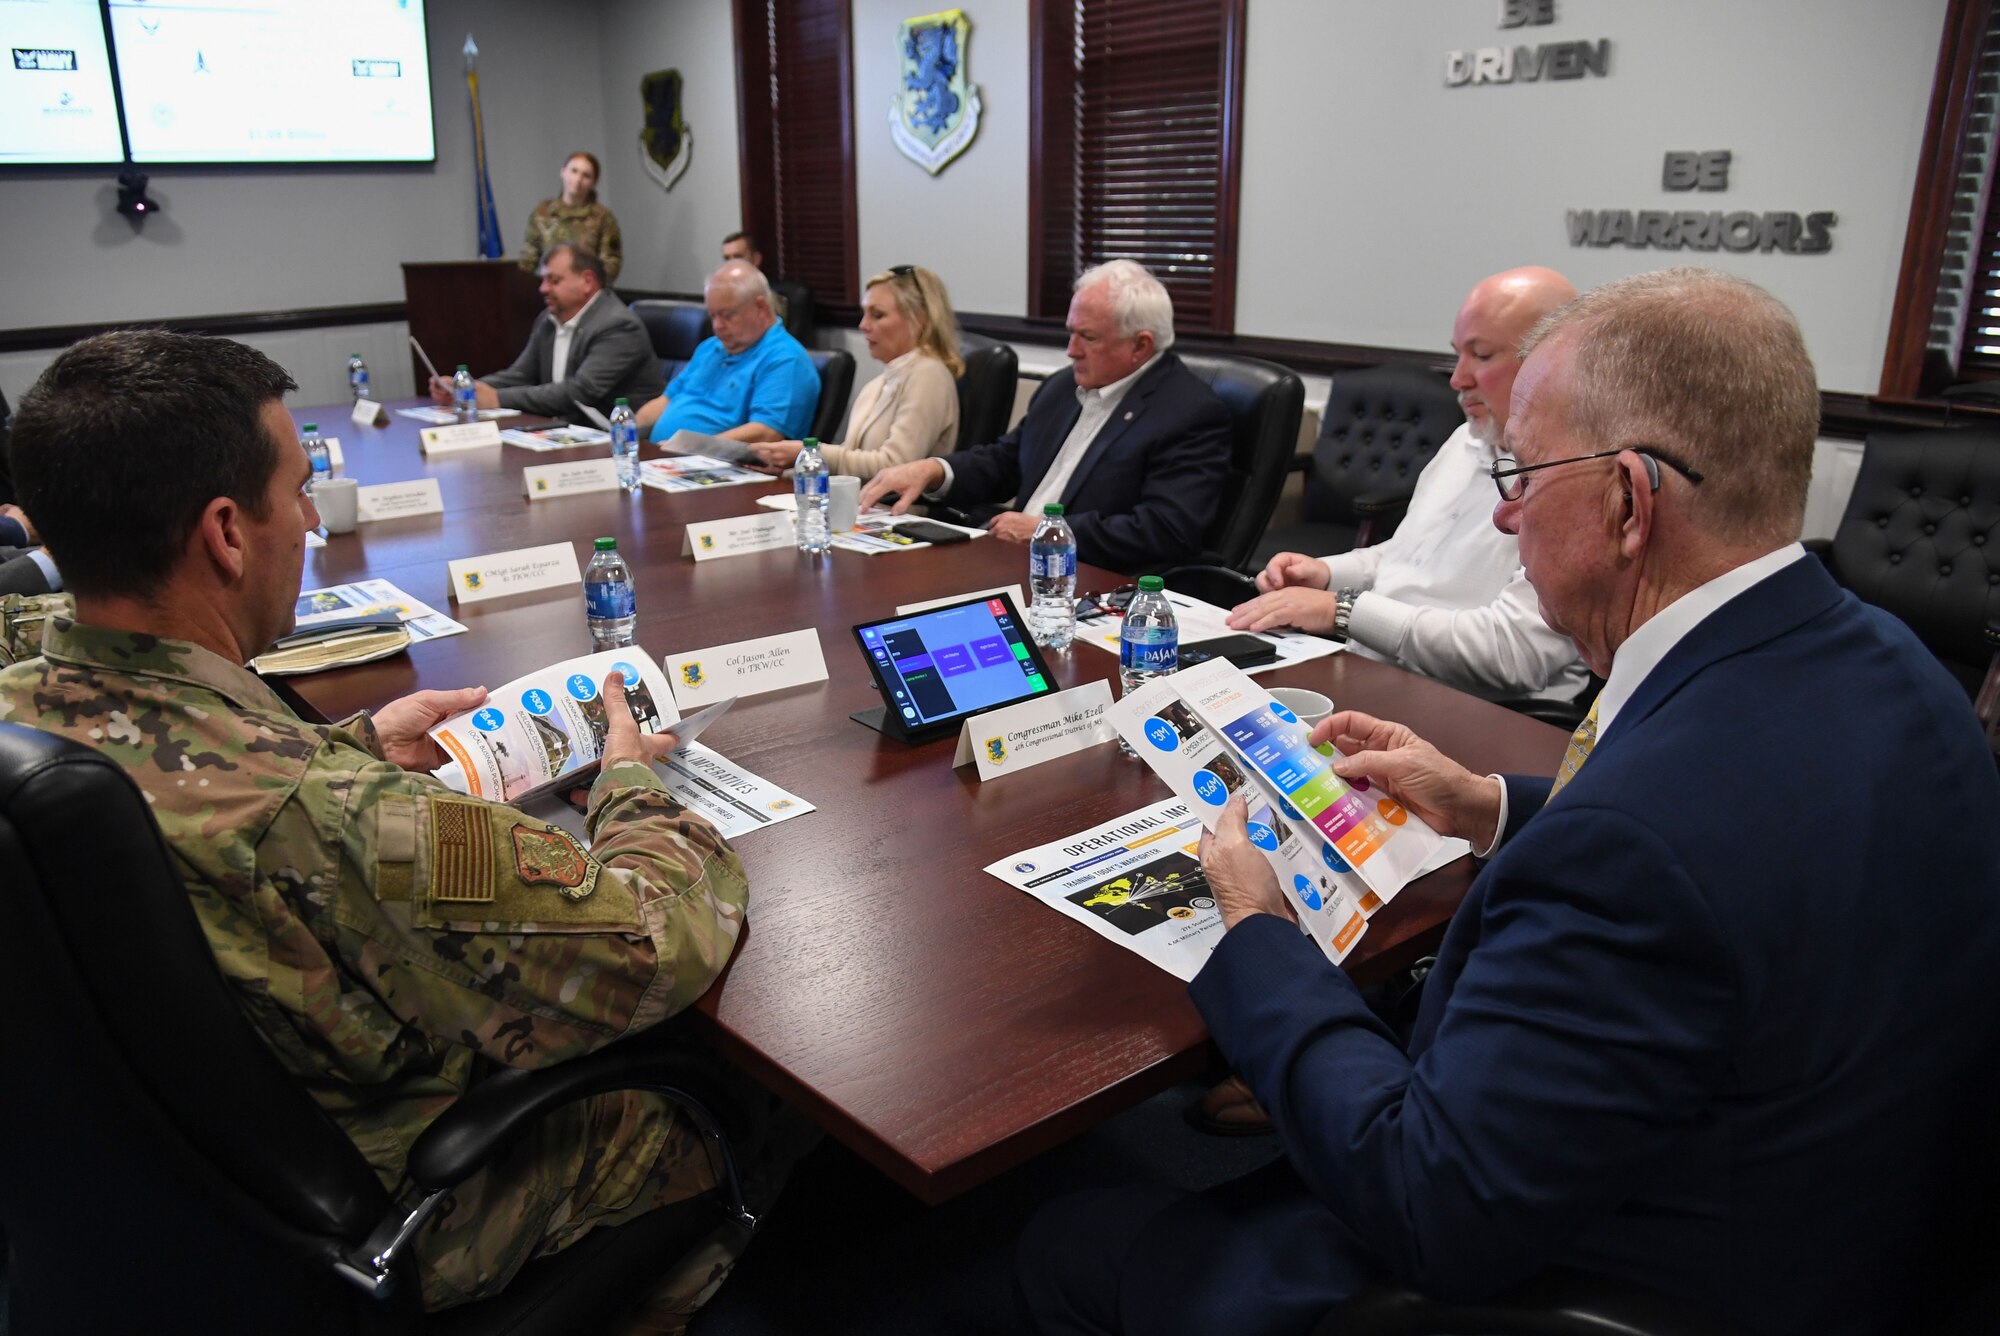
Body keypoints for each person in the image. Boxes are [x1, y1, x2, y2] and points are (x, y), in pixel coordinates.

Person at [1017, 269, 2000, 1335]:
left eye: (1524, 474)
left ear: (1627, 500)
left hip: (1617, 1270)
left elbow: (1424, 1199)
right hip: (1857, 1218)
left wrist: (1257, 929)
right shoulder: (1896, 670)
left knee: (1060, 1241)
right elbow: (1740, 846)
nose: (1502, 507)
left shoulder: (1636, 849)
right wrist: (1485, 802)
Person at [2, 330, 758, 1328]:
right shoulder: (328, 813)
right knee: (725, 1114)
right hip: (372, 1206)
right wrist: (626, 782)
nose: (312, 518)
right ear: (226, 532)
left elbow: (194, 781)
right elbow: (653, 945)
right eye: (301, 491)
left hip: (127, 1191)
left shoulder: (23, 693)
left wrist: (356, 740)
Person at [1226, 266, 1586, 705]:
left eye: (1483, 356)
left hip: (1477, 707)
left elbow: (1514, 654)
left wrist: (1343, 611)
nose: (1458, 378)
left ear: (1549, 364)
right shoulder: (1467, 439)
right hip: (1376, 665)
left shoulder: (1575, 477)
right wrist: (1326, 573)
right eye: (1458, 354)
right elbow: (1406, 558)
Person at [859, 259, 1231, 572]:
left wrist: (1048, 531)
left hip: (1085, 579)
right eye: (1070, 333)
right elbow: (1006, 461)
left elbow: (1165, 530)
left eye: (1088, 337)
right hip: (1009, 559)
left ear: (1140, 345)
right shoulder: (1062, 388)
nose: (1071, 351)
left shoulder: (1188, 412)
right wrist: (935, 470)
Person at [748, 265, 962, 480]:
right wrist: (790, 469)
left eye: (877, 315)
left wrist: (810, 453)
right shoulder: (879, 383)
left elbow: (897, 466)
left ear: (920, 318)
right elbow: (851, 459)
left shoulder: (928, 374)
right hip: (860, 504)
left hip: (897, 510)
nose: (863, 325)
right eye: (864, 314)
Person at [429, 242, 662, 422]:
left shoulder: (618, 325)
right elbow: (520, 375)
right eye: (543, 280)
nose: (543, 289)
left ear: (587, 282)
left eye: (554, 281)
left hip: (614, 437)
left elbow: (579, 392)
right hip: (562, 431)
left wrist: (497, 399)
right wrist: (466, 389)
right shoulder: (549, 320)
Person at [636, 260, 819, 445]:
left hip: (718, 465)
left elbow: (766, 432)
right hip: (666, 458)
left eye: (727, 315)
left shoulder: (785, 359)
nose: (717, 326)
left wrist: (686, 447)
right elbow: (665, 400)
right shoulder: (710, 348)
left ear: (761, 308)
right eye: (713, 315)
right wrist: (625, 432)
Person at [519, 150, 623, 283]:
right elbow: (527, 261)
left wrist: (586, 286)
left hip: (586, 293)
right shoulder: (542, 213)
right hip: (548, 291)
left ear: (594, 183)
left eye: (586, 175)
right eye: (573, 171)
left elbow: (610, 264)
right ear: (563, 171)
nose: (578, 180)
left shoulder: (602, 218)